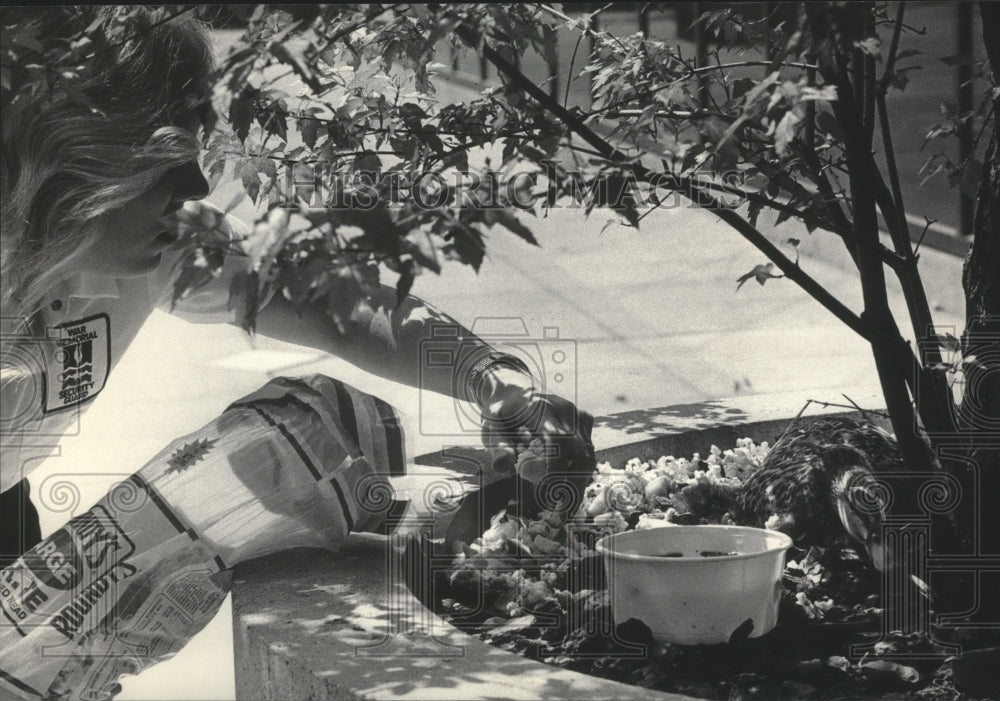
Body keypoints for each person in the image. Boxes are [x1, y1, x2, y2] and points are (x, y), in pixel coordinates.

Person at [0, 7, 594, 699]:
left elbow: (330, 303)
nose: (196, 187)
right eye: (166, 159)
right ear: (73, 156)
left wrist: (493, 381)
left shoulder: (164, 243)